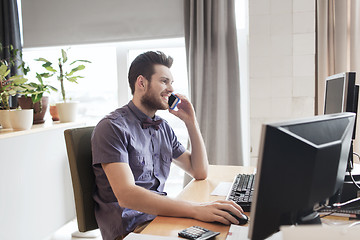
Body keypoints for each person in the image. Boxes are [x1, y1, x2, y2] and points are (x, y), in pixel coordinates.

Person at [91, 51, 243, 240]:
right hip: (130, 230)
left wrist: (191, 122)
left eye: (171, 83)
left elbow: (199, 171)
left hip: (159, 217)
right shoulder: (112, 127)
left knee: (227, 231)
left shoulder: (163, 127)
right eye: (164, 81)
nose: (171, 89)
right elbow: (126, 195)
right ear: (141, 83)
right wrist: (195, 209)